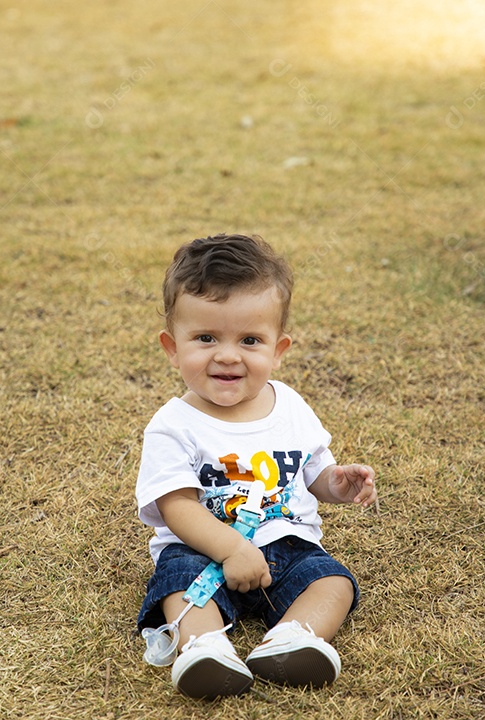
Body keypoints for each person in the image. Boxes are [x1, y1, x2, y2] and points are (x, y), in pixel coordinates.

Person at [135, 233, 378, 699]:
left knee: (333, 582)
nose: (227, 355)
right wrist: (228, 549)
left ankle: (292, 638)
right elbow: (177, 507)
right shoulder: (173, 425)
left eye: (250, 340)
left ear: (278, 349)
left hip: (287, 546)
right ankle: (204, 646)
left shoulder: (289, 405)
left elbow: (312, 472)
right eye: (205, 338)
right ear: (172, 347)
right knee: (178, 581)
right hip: (204, 550)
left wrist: (337, 483)